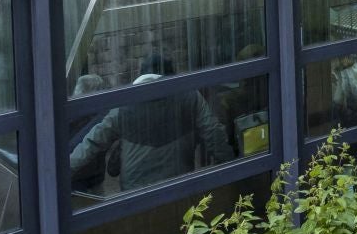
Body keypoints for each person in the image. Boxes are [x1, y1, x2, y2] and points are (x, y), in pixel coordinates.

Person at [69, 54, 237, 192]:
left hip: (134, 191)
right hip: (179, 184)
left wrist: (62, 173)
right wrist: (233, 169)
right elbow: (213, 133)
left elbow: (92, 142)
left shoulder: (123, 106)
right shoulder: (189, 96)